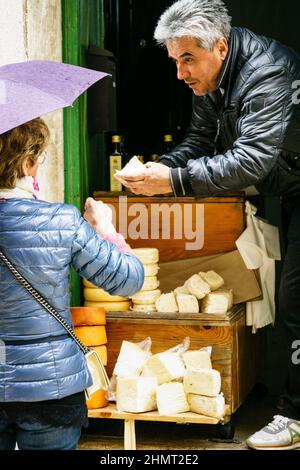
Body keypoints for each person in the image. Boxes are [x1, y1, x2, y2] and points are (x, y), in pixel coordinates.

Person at [121, 0, 300, 450]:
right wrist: (158, 170)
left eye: (187, 59)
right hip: (295, 186)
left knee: (296, 299)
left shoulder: (266, 70)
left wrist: (174, 181)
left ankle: (295, 416)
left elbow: (253, 161)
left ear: (220, 46)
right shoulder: (212, 80)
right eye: (175, 60)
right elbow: (201, 140)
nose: (180, 73)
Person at [0, 118, 144, 450]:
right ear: (26, 164)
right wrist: (106, 228)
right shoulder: (61, 221)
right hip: (51, 389)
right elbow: (129, 279)